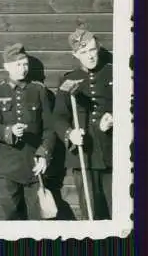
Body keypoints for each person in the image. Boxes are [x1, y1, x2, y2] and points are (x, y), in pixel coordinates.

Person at [0, 43, 55, 220]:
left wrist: (44, 154)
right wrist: (8, 131)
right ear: (6, 67)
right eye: (18, 64)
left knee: (37, 222)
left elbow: (49, 127)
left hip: (33, 166)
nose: (23, 69)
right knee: (9, 220)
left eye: (25, 64)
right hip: (6, 168)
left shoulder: (39, 91)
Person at [54, 23, 113, 220]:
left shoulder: (114, 73)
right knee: (91, 215)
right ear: (75, 55)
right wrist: (70, 133)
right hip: (84, 156)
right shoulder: (68, 80)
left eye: (93, 50)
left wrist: (115, 117)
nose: (90, 55)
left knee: (118, 211)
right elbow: (59, 117)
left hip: (113, 155)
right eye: (84, 51)